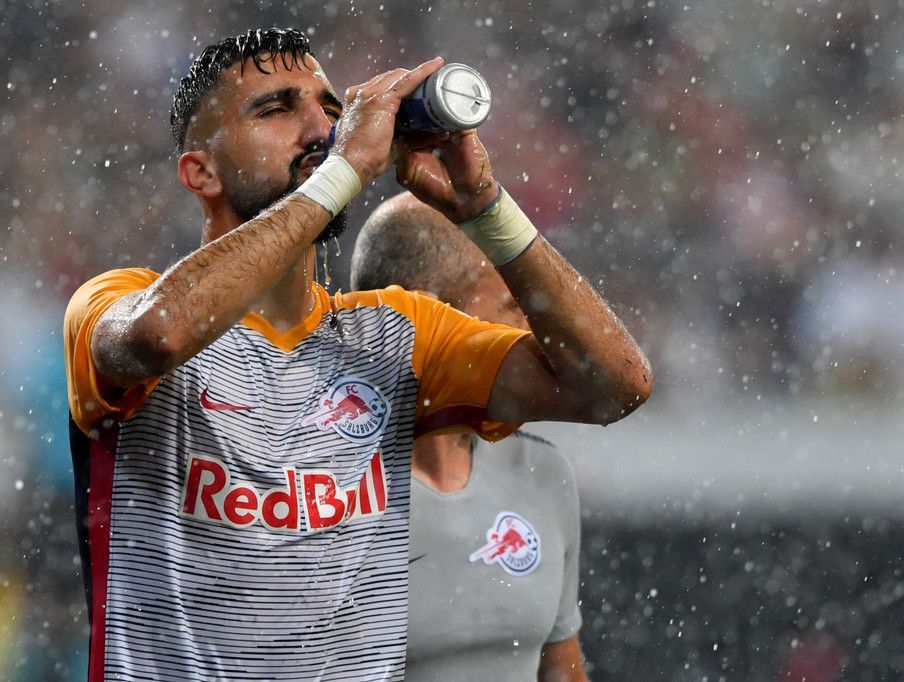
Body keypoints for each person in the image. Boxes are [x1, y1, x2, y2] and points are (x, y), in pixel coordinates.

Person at [63, 27, 651, 681]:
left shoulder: (395, 333)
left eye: (331, 109)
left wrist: (487, 208)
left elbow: (615, 384)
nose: (320, 129)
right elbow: (157, 336)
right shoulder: (116, 300)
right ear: (201, 171)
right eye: (277, 108)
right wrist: (339, 173)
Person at [352, 194, 590, 682]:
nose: (534, 333)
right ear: (426, 317)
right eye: (513, 307)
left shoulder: (541, 471)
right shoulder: (320, 493)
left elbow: (561, 671)